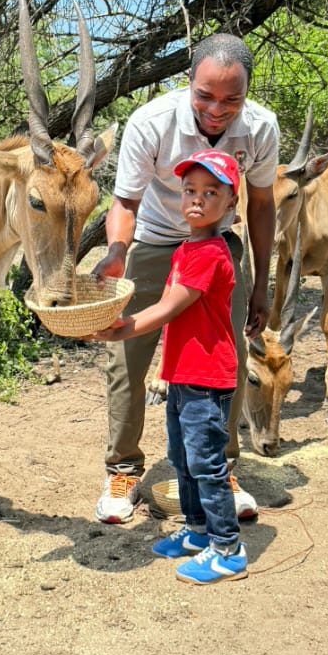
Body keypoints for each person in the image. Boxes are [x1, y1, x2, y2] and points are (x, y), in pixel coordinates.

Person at [92, 32, 279, 525]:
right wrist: (117, 253)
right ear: (187, 83)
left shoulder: (260, 128)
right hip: (154, 240)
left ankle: (223, 466)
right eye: (205, 96)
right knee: (127, 357)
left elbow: (261, 204)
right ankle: (123, 469)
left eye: (231, 100)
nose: (217, 110)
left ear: (247, 93)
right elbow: (126, 201)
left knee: (226, 359)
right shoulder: (151, 123)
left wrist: (260, 281)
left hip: (218, 245)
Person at [93, 151, 248, 583]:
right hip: (184, 375)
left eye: (211, 193)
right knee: (182, 459)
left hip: (207, 377)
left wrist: (122, 328)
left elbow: (168, 308)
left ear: (232, 205)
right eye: (190, 191)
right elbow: (174, 318)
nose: (196, 200)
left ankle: (227, 548)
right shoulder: (186, 248)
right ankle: (198, 531)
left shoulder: (212, 253)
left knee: (207, 463)